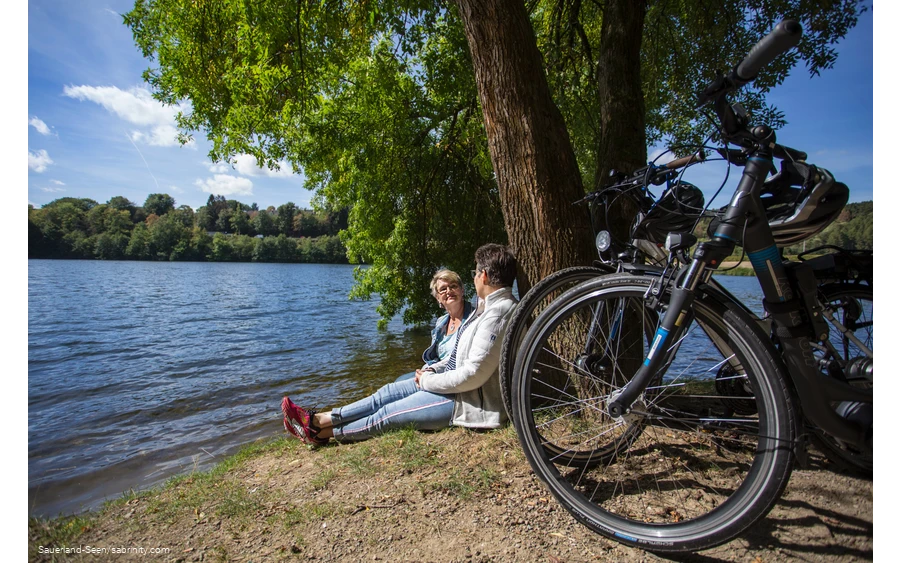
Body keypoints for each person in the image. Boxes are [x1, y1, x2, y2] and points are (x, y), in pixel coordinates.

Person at [282, 243, 518, 445]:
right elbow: (458, 356)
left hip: (466, 401)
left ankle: (322, 433)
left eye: (475, 273)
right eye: (442, 290)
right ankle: (319, 420)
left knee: (387, 415)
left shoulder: (496, 313)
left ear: (483, 276)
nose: (474, 278)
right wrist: (432, 370)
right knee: (387, 392)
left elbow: (473, 374)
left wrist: (427, 381)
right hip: (455, 387)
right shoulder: (487, 309)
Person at [394, 269, 475, 383]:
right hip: (435, 373)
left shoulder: (475, 318)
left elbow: (461, 358)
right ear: (438, 298)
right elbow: (435, 358)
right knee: (400, 380)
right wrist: (425, 371)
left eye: (453, 286)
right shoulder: (441, 322)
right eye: (443, 289)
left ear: (462, 291)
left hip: (454, 378)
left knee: (390, 391)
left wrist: (430, 371)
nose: (449, 291)